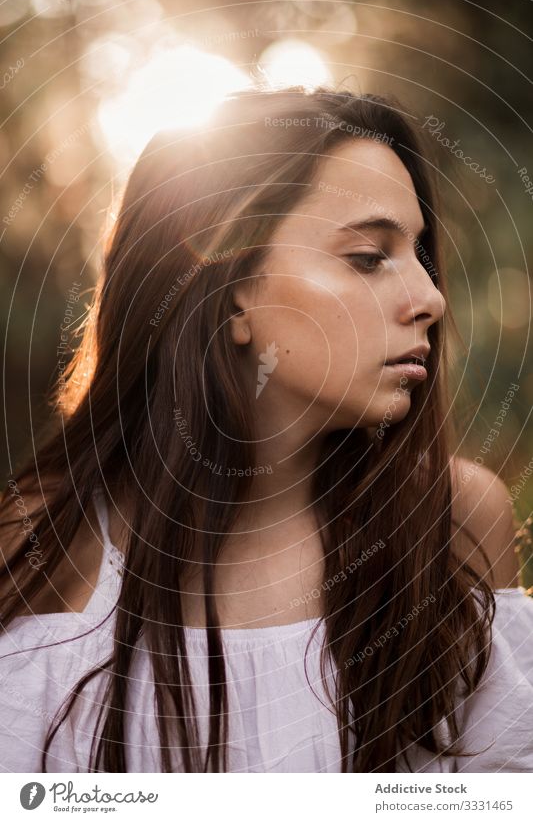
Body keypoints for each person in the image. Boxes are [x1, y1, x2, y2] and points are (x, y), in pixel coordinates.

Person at [1, 87, 532, 773]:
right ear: (232, 290)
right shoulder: (36, 543)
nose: (428, 298)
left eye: (420, 253)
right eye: (369, 257)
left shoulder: (453, 522)